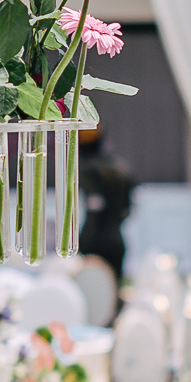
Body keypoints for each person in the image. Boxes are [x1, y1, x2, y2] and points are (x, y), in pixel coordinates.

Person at [77, 123, 135, 286]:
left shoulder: (90, 172)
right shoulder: (122, 168)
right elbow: (127, 210)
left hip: (94, 245)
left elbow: (95, 210)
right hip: (117, 242)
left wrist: (82, 244)